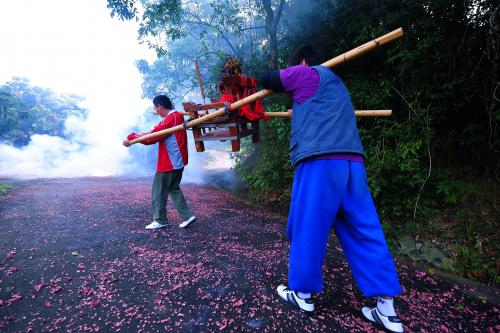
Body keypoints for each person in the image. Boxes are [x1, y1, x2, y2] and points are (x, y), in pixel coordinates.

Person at [258, 45, 404, 333]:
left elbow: (267, 78)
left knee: (307, 227)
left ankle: (302, 295)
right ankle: (387, 310)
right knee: (364, 229)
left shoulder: (306, 73)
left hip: (320, 164)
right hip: (352, 165)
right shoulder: (336, 87)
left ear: (300, 62)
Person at [123, 95, 196, 230]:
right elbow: (156, 131)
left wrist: (131, 137)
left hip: (170, 163)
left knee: (158, 191)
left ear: (160, 107)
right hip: (178, 162)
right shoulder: (176, 116)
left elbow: (151, 137)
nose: (156, 111)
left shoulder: (171, 118)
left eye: (156, 108)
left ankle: (160, 219)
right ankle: (187, 216)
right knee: (174, 188)